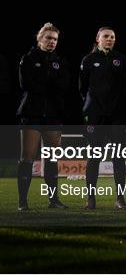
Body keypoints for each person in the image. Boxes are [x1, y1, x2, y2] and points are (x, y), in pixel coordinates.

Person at [16, 22, 70, 210]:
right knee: (27, 159)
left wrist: (47, 85)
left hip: (54, 115)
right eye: (48, 38)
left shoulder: (60, 62)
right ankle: (23, 202)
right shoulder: (28, 59)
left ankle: (53, 201)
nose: (52, 42)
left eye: (55, 39)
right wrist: (50, 85)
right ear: (39, 39)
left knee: (52, 159)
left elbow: (64, 86)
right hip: (31, 113)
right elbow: (26, 84)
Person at [79, 27, 126, 209]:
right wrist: (92, 108)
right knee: (94, 157)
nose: (110, 39)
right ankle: (90, 199)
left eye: (113, 37)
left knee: (118, 158)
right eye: (106, 36)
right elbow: (82, 88)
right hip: (95, 116)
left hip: (117, 117)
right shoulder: (89, 60)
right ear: (98, 38)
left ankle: (120, 198)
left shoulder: (122, 60)